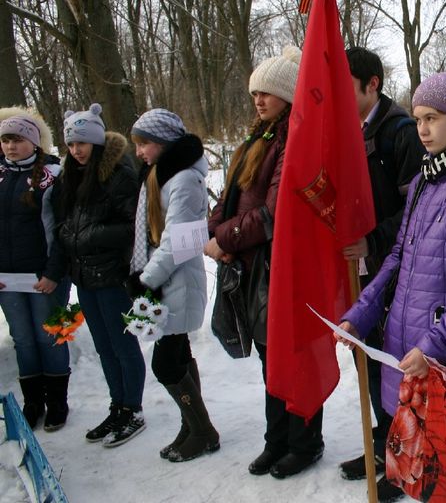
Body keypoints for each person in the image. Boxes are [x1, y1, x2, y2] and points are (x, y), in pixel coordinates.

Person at [337, 72, 446, 503]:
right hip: (406, 343)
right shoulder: (423, 182)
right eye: (418, 118)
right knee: (431, 459)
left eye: (432, 118)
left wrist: (434, 346)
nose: (422, 129)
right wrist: (360, 314)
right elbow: (398, 258)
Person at [206, 46, 324, 479]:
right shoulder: (258, 138)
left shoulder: (294, 141)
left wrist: (222, 238)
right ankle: (277, 440)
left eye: (267, 92)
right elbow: (230, 196)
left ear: (288, 96)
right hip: (251, 265)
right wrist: (215, 232)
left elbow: (274, 214)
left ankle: (304, 443)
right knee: (269, 358)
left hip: (281, 268)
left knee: (292, 360)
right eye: (255, 92)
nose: (258, 99)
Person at [338, 46, 426, 482]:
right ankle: (384, 445)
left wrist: (372, 240)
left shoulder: (401, 132)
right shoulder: (346, 129)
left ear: (372, 84)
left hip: (396, 268)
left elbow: (416, 207)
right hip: (364, 267)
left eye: (345, 84)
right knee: (370, 358)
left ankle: (404, 456)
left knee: (392, 364)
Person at [129, 109, 219, 462]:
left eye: (145, 144)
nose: (139, 152)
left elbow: (178, 242)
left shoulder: (183, 180)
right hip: (164, 279)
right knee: (178, 355)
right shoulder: (160, 174)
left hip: (175, 280)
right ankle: (192, 426)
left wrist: (145, 279)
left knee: (166, 364)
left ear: (165, 143)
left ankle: (203, 431)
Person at [57, 103, 145, 447]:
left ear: (95, 142)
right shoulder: (70, 176)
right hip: (84, 276)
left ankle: (133, 409)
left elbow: (131, 226)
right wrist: (70, 236)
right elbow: (65, 221)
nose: (76, 150)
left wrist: (89, 235)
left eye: (81, 143)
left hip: (112, 275)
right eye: (70, 144)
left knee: (123, 345)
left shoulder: (118, 175)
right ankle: (117, 405)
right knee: (104, 347)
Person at [0, 109, 72, 430]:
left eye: (17, 140)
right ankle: (32, 401)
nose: (10, 146)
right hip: (7, 279)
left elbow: (63, 228)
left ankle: (57, 401)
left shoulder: (54, 175)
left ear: (34, 141)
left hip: (44, 275)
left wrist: (53, 273)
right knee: (23, 339)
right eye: (5, 140)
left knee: (51, 337)